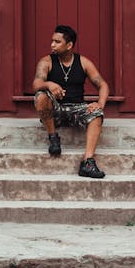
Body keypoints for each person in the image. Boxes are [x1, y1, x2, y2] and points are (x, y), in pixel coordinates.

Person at [32, 25, 110, 179]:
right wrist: (48, 84)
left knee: (97, 114)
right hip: (56, 110)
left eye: (57, 42)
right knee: (41, 96)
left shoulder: (83, 62)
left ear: (69, 45)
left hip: (77, 108)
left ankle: (87, 162)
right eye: (52, 41)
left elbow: (103, 85)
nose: (52, 45)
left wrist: (100, 104)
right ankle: (53, 137)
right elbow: (36, 84)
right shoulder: (46, 61)